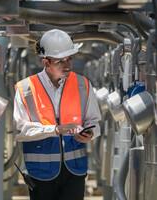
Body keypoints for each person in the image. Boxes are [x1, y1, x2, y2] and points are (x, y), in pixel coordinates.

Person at [13, 29, 101, 200]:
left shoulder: (83, 84)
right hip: (40, 173)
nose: (68, 65)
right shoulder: (26, 89)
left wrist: (90, 134)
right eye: (60, 61)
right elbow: (20, 130)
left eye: (70, 59)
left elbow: (94, 121)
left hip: (75, 171)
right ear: (45, 63)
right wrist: (56, 129)